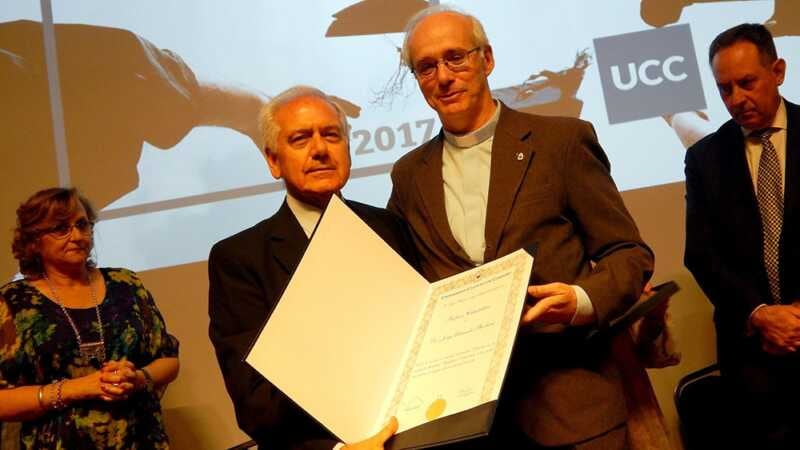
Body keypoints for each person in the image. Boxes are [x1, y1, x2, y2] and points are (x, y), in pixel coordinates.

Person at [388, 6, 654, 449]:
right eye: (426, 66)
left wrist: (581, 300)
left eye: (456, 57)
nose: (443, 76)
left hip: (571, 409)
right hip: (466, 423)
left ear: (487, 59)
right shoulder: (408, 175)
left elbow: (628, 252)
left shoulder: (562, 142)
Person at [207, 86, 418, 450]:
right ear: (273, 161)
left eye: (331, 135)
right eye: (301, 139)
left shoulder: (392, 229)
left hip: (418, 435)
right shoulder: (239, 259)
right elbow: (255, 403)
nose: (320, 149)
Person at [684, 23, 799, 448]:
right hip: (752, 361)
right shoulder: (704, 158)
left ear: (778, 71)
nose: (737, 99)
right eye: (725, 89)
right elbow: (701, 254)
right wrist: (761, 314)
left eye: (747, 83)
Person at [0, 187, 180, 449]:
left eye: (82, 225)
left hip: (142, 440)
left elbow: (169, 361)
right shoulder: (12, 303)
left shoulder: (126, 284)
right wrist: (77, 388)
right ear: (34, 241)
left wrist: (138, 378)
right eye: (61, 228)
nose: (77, 235)